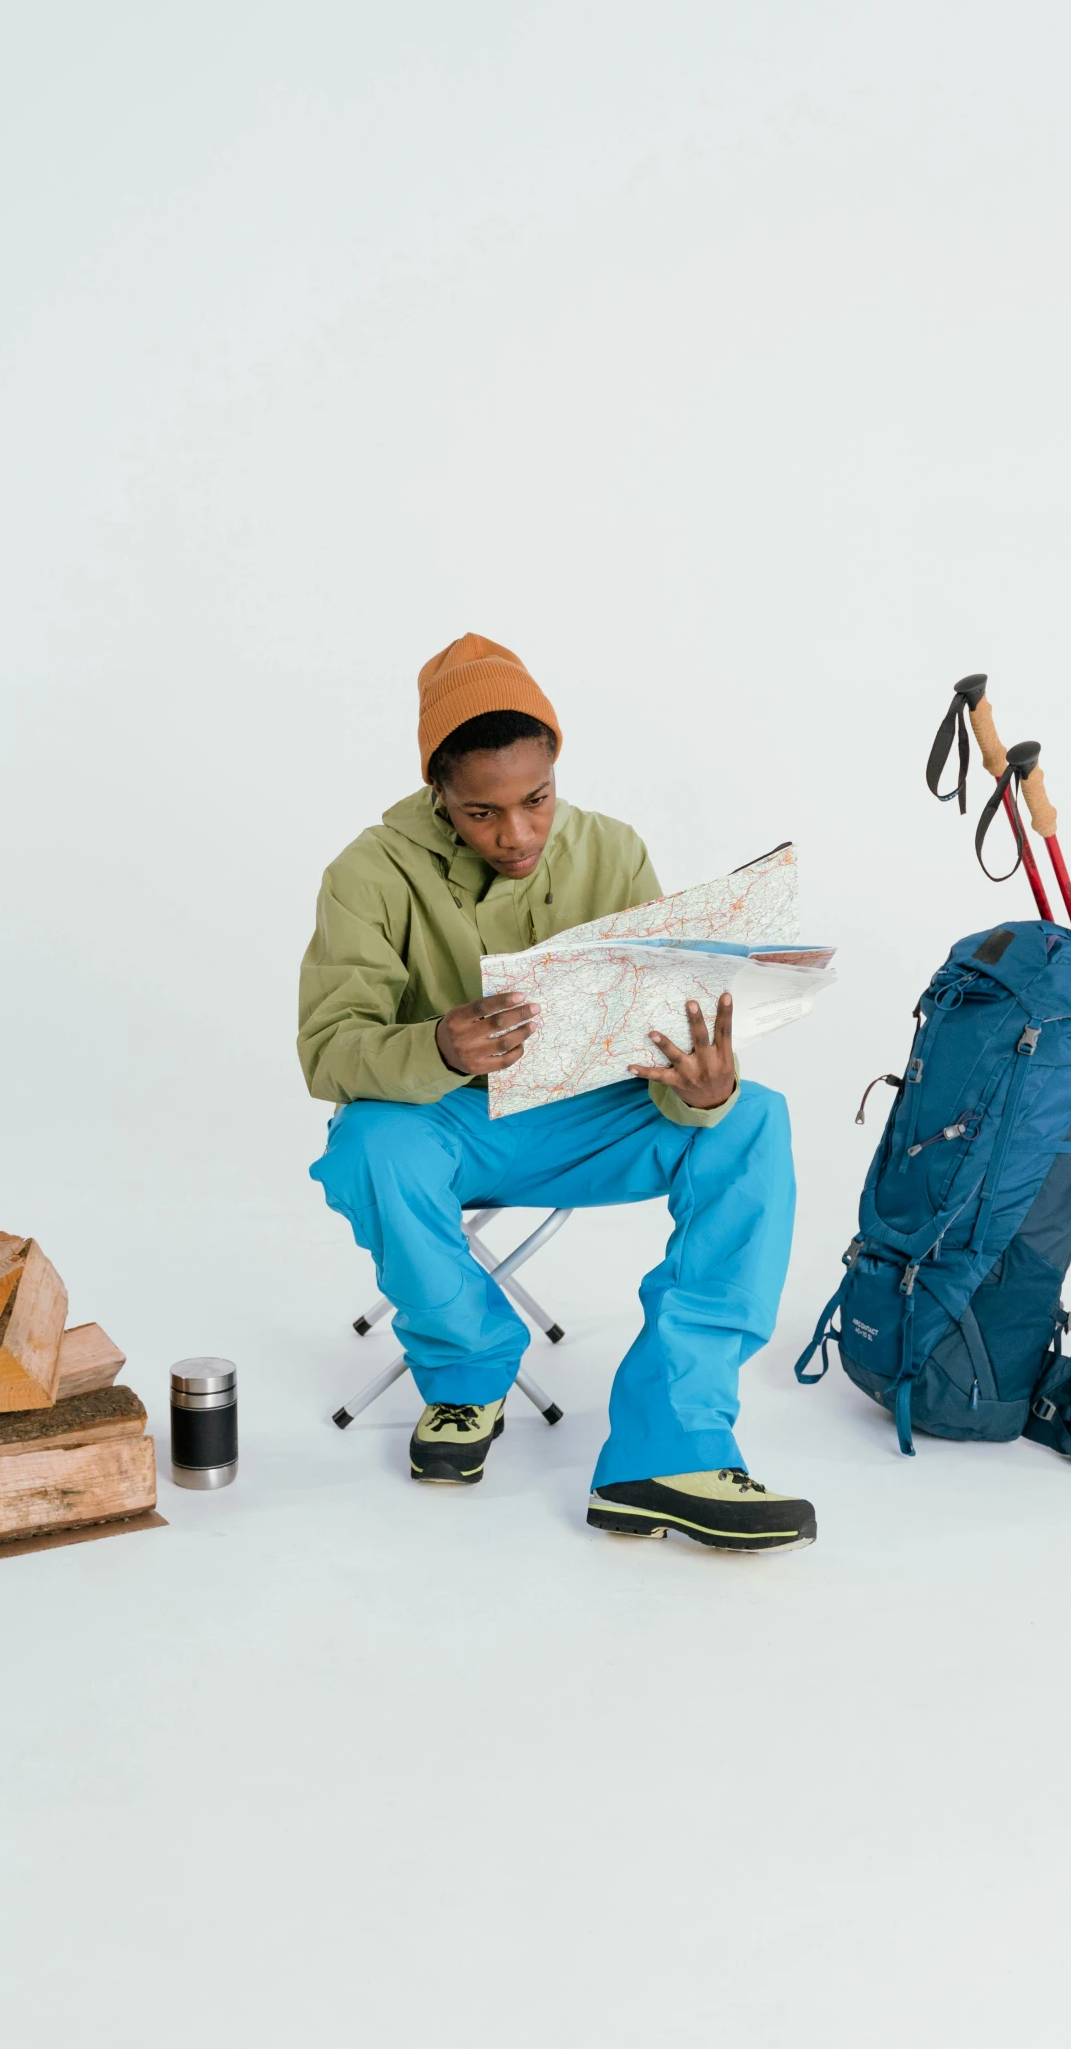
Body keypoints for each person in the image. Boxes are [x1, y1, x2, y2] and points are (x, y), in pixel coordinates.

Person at [299, 632, 814, 1553]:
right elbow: (328, 1050)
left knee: (753, 1118)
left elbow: (658, 1022)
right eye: (481, 812)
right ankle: (464, 1375)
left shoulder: (611, 850)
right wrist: (438, 1045)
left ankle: (672, 1445)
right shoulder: (369, 872)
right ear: (438, 796)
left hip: (588, 1115)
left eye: (534, 801)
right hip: (448, 1120)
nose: (516, 834)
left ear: (556, 773)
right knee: (368, 1144)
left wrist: (702, 1088)